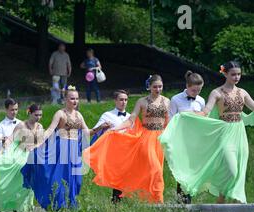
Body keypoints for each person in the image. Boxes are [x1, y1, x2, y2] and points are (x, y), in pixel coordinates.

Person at [160, 61, 254, 204]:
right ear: (225, 73)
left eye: (239, 74)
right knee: (231, 170)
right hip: (224, 133)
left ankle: (230, 205)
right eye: (233, 74)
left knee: (239, 171)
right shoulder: (216, 92)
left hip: (240, 133)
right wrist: (184, 115)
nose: (236, 77)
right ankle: (220, 201)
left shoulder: (243, 92)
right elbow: (205, 112)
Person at [84, 75, 170, 203]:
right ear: (149, 87)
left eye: (160, 86)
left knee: (158, 170)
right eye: (155, 87)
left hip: (160, 138)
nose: (158, 89)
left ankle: (153, 199)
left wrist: (169, 138)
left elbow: (168, 122)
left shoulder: (167, 101)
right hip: (147, 138)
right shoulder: (142, 101)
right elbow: (130, 120)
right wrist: (116, 128)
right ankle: (159, 200)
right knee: (155, 169)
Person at [21, 86, 110, 210]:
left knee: (76, 180)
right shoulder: (60, 113)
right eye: (72, 98)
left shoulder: (78, 115)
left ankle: (70, 203)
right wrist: (37, 144)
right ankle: (58, 205)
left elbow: (87, 132)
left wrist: (100, 127)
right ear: (65, 99)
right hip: (61, 148)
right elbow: (49, 131)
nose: (75, 101)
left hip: (74, 150)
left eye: (77, 99)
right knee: (58, 178)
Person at [0, 104, 43, 212]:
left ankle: (26, 206)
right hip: (19, 153)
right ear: (29, 113)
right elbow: (11, 138)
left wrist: (34, 147)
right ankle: (6, 203)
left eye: (40, 115)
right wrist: (4, 147)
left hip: (32, 155)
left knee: (30, 179)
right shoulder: (21, 125)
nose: (38, 117)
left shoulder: (39, 127)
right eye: (36, 115)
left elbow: (40, 142)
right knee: (16, 179)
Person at [168, 71, 206, 204]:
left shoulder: (201, 100)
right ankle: (182, 200)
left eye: (199, 90)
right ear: (187, 86)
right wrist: (186, 114)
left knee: (192, 169)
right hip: (180, 138)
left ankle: (189, 197)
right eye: (194, 90)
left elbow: (204, 118)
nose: (196, 93)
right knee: (181, 168)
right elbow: (170, 120)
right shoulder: (175, 99)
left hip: (195, 138)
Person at [90, 90, 131, 203]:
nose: (124, 102)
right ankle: (116, 200)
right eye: (121, 99)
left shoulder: (130, 117)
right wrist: (102, 126)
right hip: (114, 150)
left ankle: (122, 199)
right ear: (115, 101)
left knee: (126, 176)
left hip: (128, 150)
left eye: (126, 100)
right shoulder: (107, 115)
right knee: (118, 176)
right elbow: (94, 132)